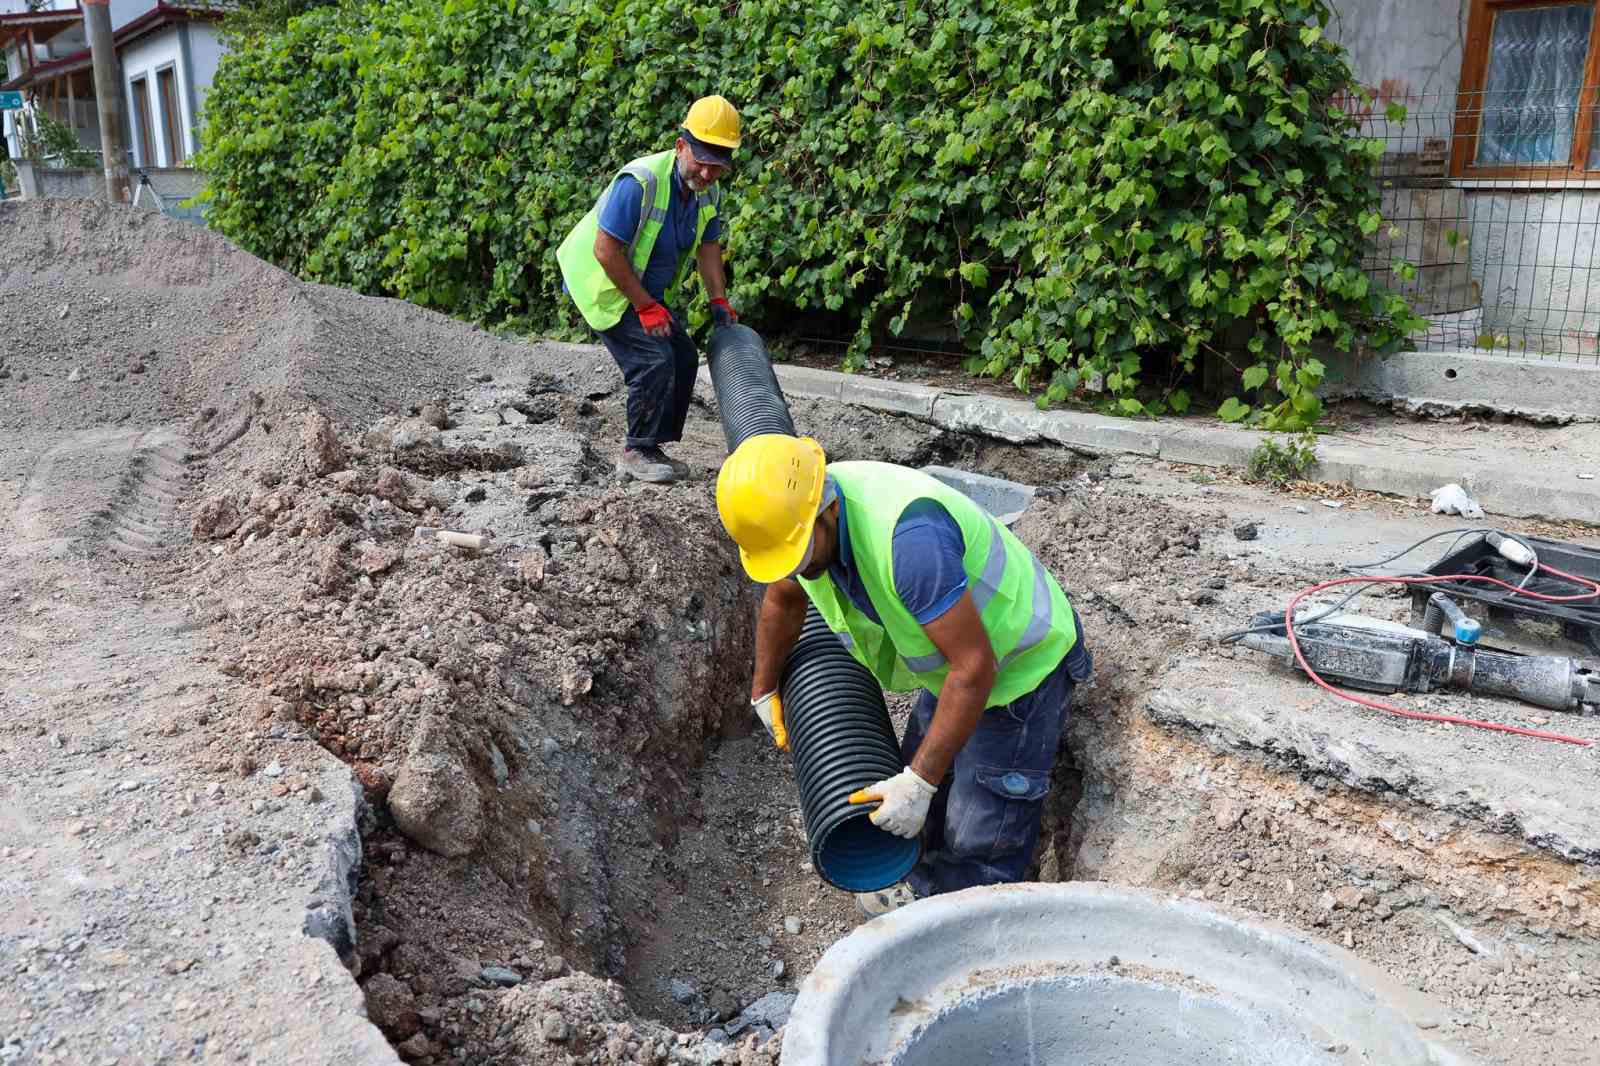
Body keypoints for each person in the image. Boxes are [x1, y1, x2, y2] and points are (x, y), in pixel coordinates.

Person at [715, 434, 1092, 916]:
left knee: (980, 823)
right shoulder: (797, 519)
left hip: (1021, 665)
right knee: (914, 775)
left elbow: (975, 668)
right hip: (953, 664)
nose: (796, 569)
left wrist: (919, 783)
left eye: (796, 553)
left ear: (827, 509)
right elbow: (783, 600)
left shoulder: (910, 543)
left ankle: (967, 918)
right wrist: (763, 689)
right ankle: (920, 881)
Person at [557, 95, 742, 483]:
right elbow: (606, 251)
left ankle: (652, 446)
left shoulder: (707, 191)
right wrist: (643, 306)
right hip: (602, 282)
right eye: (702, 162)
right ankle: (634, 450)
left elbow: (709, 247)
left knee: (683, 355)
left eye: (718, 167)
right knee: (652, 360)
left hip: (639, 288)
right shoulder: (640, 182)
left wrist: (718, 299)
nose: (708, 175)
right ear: (681, 147)